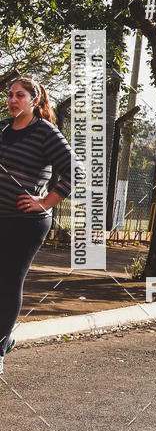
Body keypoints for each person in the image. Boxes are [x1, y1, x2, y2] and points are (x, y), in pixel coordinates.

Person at [0, 77, 78, 376]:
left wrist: (47, 201)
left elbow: (75, 170)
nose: (12, 100)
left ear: (34, 100)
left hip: (26, 223)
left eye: (20, 95)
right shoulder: (3, 129)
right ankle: (5, 338)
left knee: (8, 282)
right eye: (9, 95)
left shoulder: (44, 132)